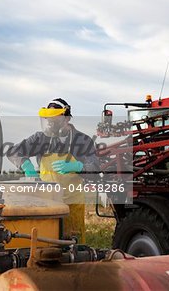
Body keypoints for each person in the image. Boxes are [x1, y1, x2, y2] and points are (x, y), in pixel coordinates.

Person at [7, 98, 100, 243]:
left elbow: (95, 169)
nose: (50, 123)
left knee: (73, 245)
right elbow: (13, 151)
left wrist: (79, 167)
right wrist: (26, 165)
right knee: (46, 243)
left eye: (55, 119)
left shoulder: (82, 140)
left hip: (72, 204)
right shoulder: (41, 138)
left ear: (67, 118)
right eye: (48, 119)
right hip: (46, 203)